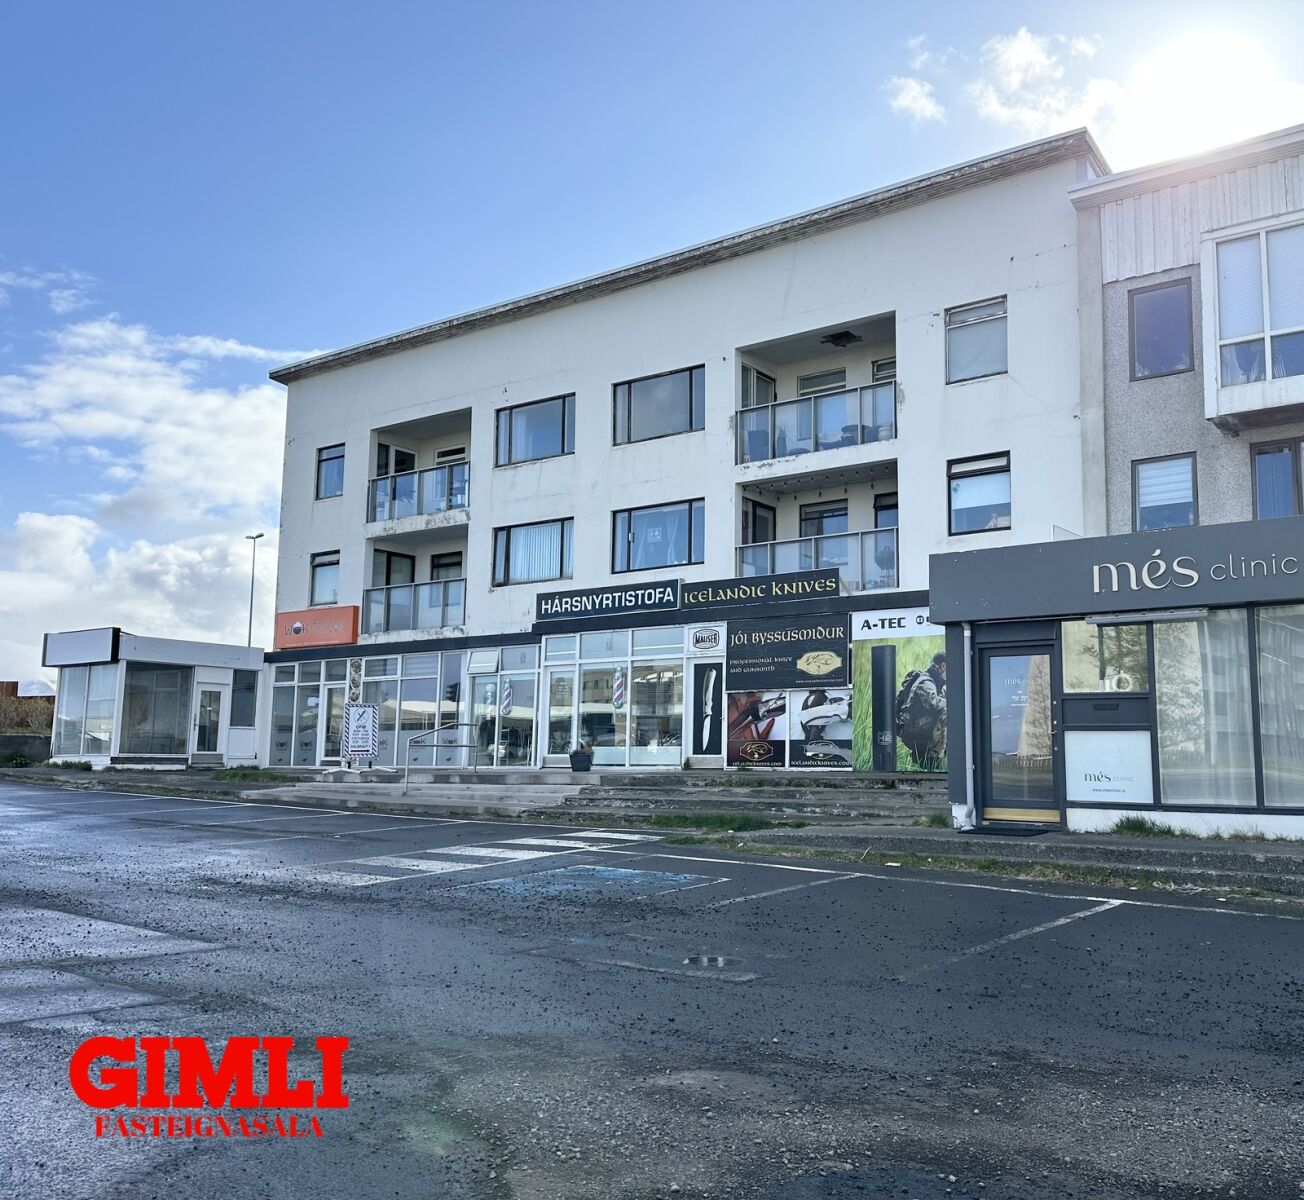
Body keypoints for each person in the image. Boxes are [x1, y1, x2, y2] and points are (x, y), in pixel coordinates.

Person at [895, 652, 947, 770]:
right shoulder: (925, 682)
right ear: (943, 666)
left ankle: (927, 757)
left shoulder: (937, 683)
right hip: (910, 729)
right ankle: (933, 758)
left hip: (917, 725)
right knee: (947, 711)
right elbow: (933, 702)